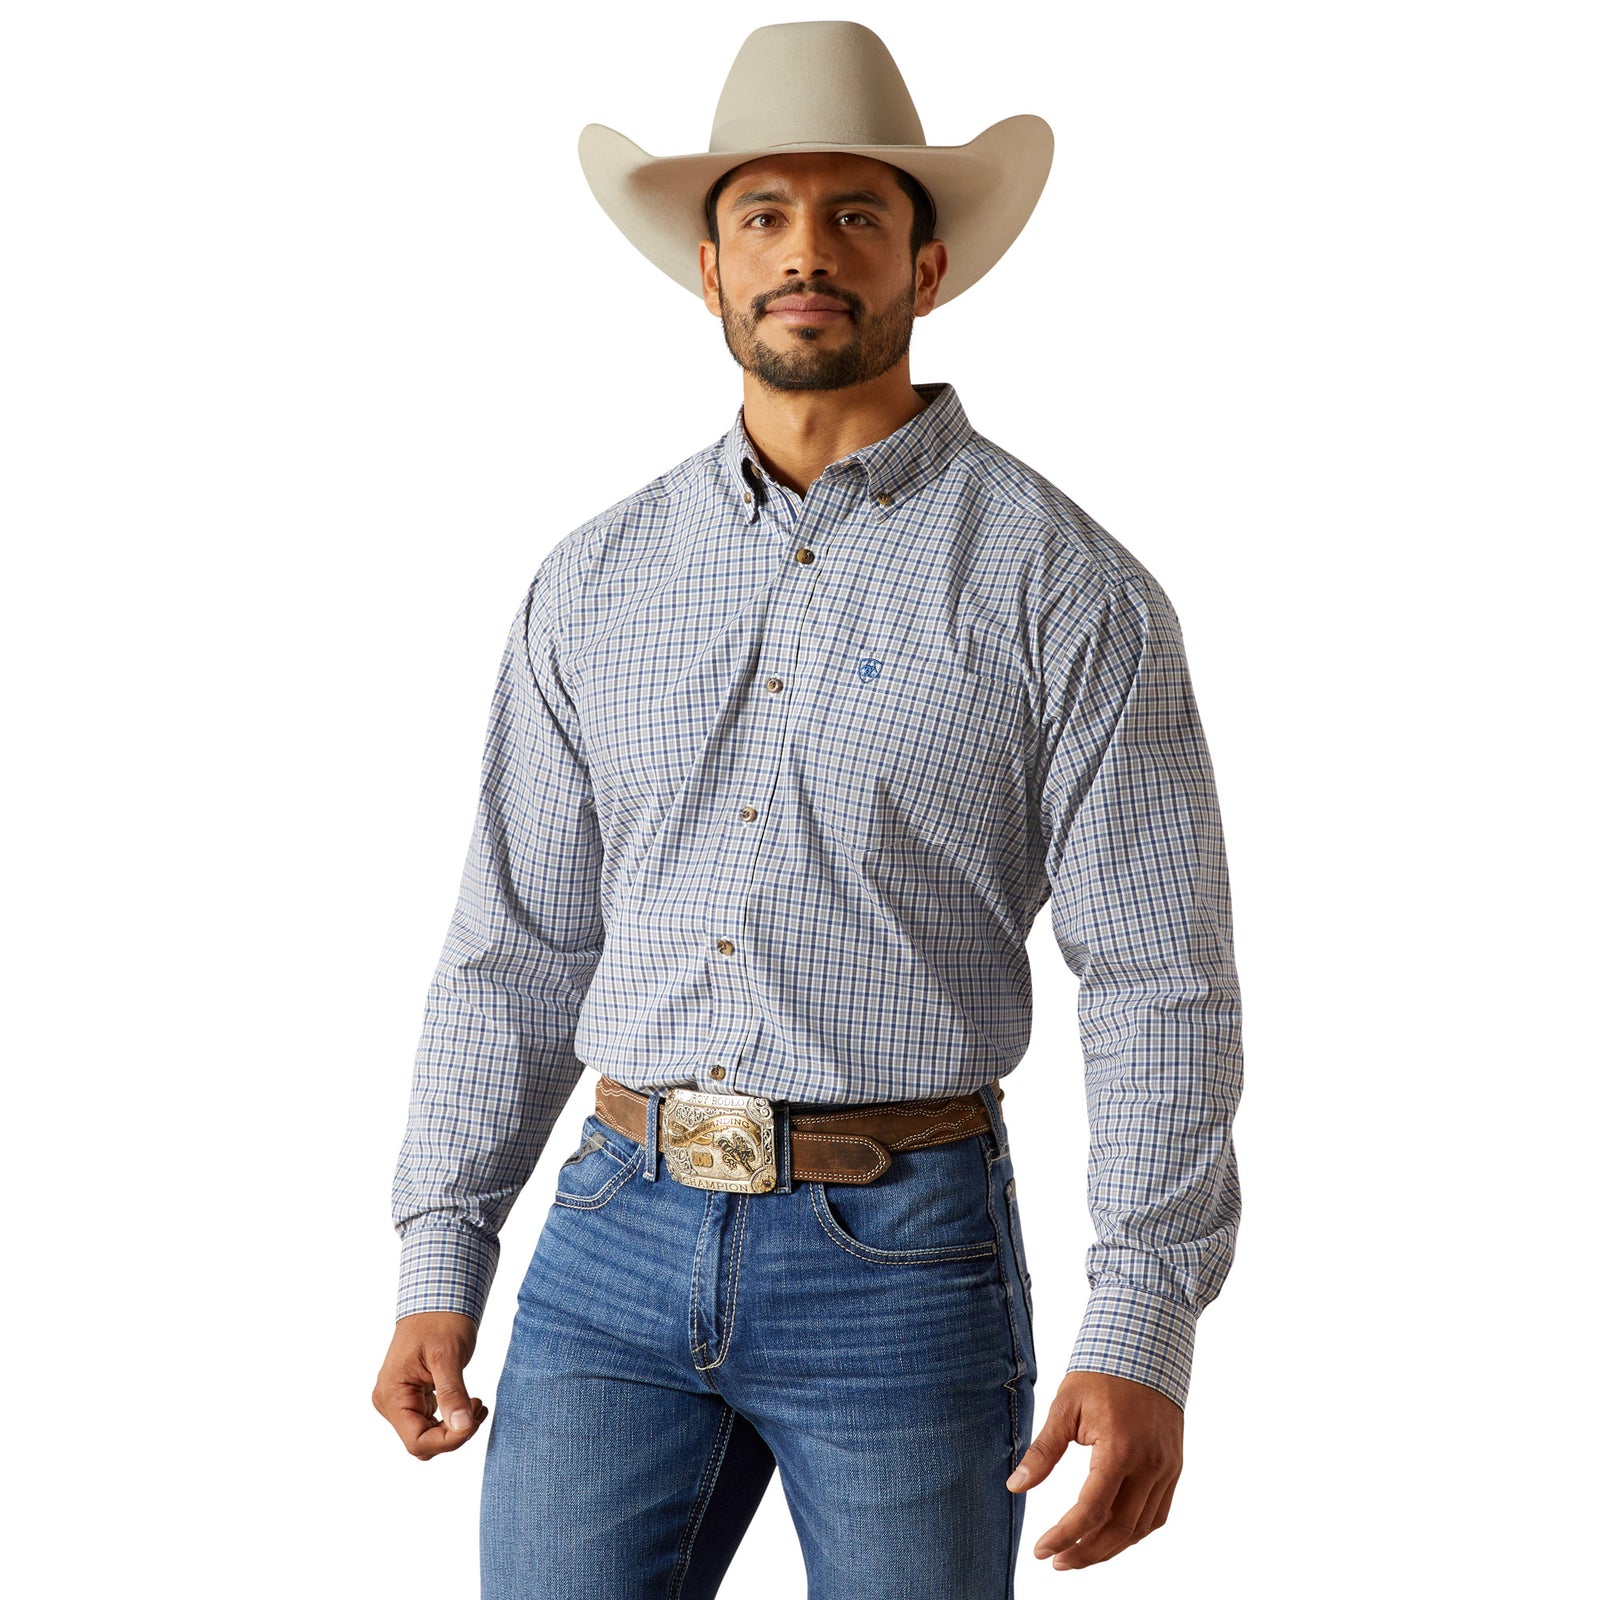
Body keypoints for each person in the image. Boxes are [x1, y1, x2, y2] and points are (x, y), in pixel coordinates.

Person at [371, 20, 1243, 1597]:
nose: (807, 252)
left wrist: (1146, 1325)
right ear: (708, 269)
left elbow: (1157, 977)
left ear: (932, 262)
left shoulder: (1070, 594)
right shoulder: (593, 581)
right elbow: (516, 943)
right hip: (609, 1242)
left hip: (902, 1264)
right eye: (764, 214)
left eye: (856, 215)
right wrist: (446, 1252)